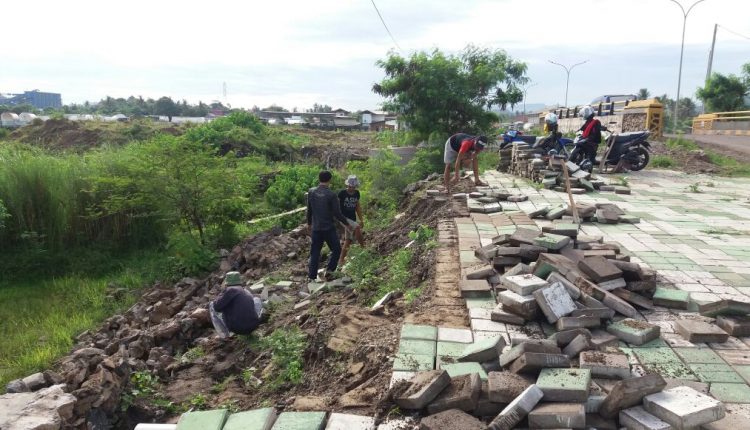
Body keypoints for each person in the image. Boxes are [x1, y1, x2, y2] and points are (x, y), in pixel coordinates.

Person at [307, 170, 350, 282]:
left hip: (316, 228)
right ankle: (330, 272)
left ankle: (311, 277)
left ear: (319, 179)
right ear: (330, 180)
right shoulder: (331, 195)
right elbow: (337, 213)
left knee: (315, 252)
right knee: (336, 249)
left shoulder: (311, 192)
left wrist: (309, 224)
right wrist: (347, 223)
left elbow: (309, 210)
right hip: (328, 228)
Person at [338, 175, 365, 266]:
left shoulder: (357, 193)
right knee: (357, 228)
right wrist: (341, 220)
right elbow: (336, 207)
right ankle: (364, 248)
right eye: (350, 186)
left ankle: (341, 261)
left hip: (352, 218)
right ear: (347, 185)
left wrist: (361, 219)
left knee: (348, 240)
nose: (352, 188)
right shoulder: (342, 193)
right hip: (343, 218)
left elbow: (357, 207)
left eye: (353, 187)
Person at [570, 105, 605, 169]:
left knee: (590, 157)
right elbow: (582, 128)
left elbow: (597, 130)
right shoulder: (588, 122)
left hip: (592, 141)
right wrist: (578, 131)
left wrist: (602, 128)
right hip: (587, 139)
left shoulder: (596, 122)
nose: (584, 114)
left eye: (585, 112)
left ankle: (589, 161)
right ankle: (580, 162)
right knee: (579, 144)